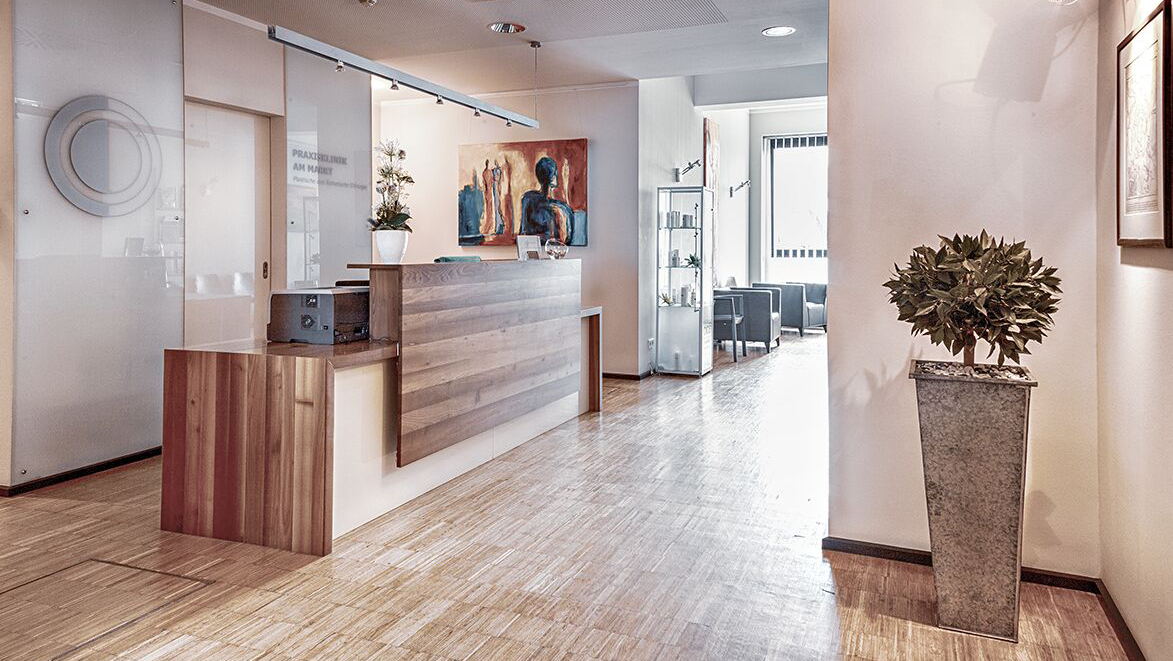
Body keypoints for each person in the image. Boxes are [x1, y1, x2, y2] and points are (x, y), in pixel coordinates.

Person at [520, 156, 575, 242]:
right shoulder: (561, 209)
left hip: (531, 246)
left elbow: (523, 234)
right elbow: (563, 240)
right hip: (550, 248)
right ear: (554, 178)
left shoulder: (527, 198)